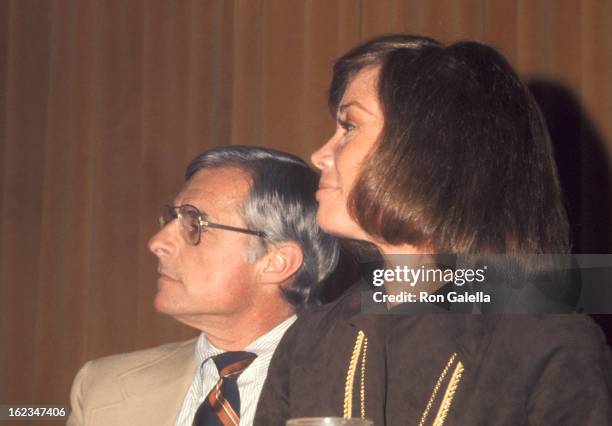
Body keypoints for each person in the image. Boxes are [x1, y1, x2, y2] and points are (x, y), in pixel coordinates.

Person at [254, 35, 612, 425]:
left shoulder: (548, 345)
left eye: (350, 126)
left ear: (427, 150)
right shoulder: (311, 341)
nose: (320, 154)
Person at [67, 146, 339, 426]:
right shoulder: (101, 389)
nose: (157, 242)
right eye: (172, 218)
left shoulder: (358, 387)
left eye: (194, 223)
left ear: (276, 261)